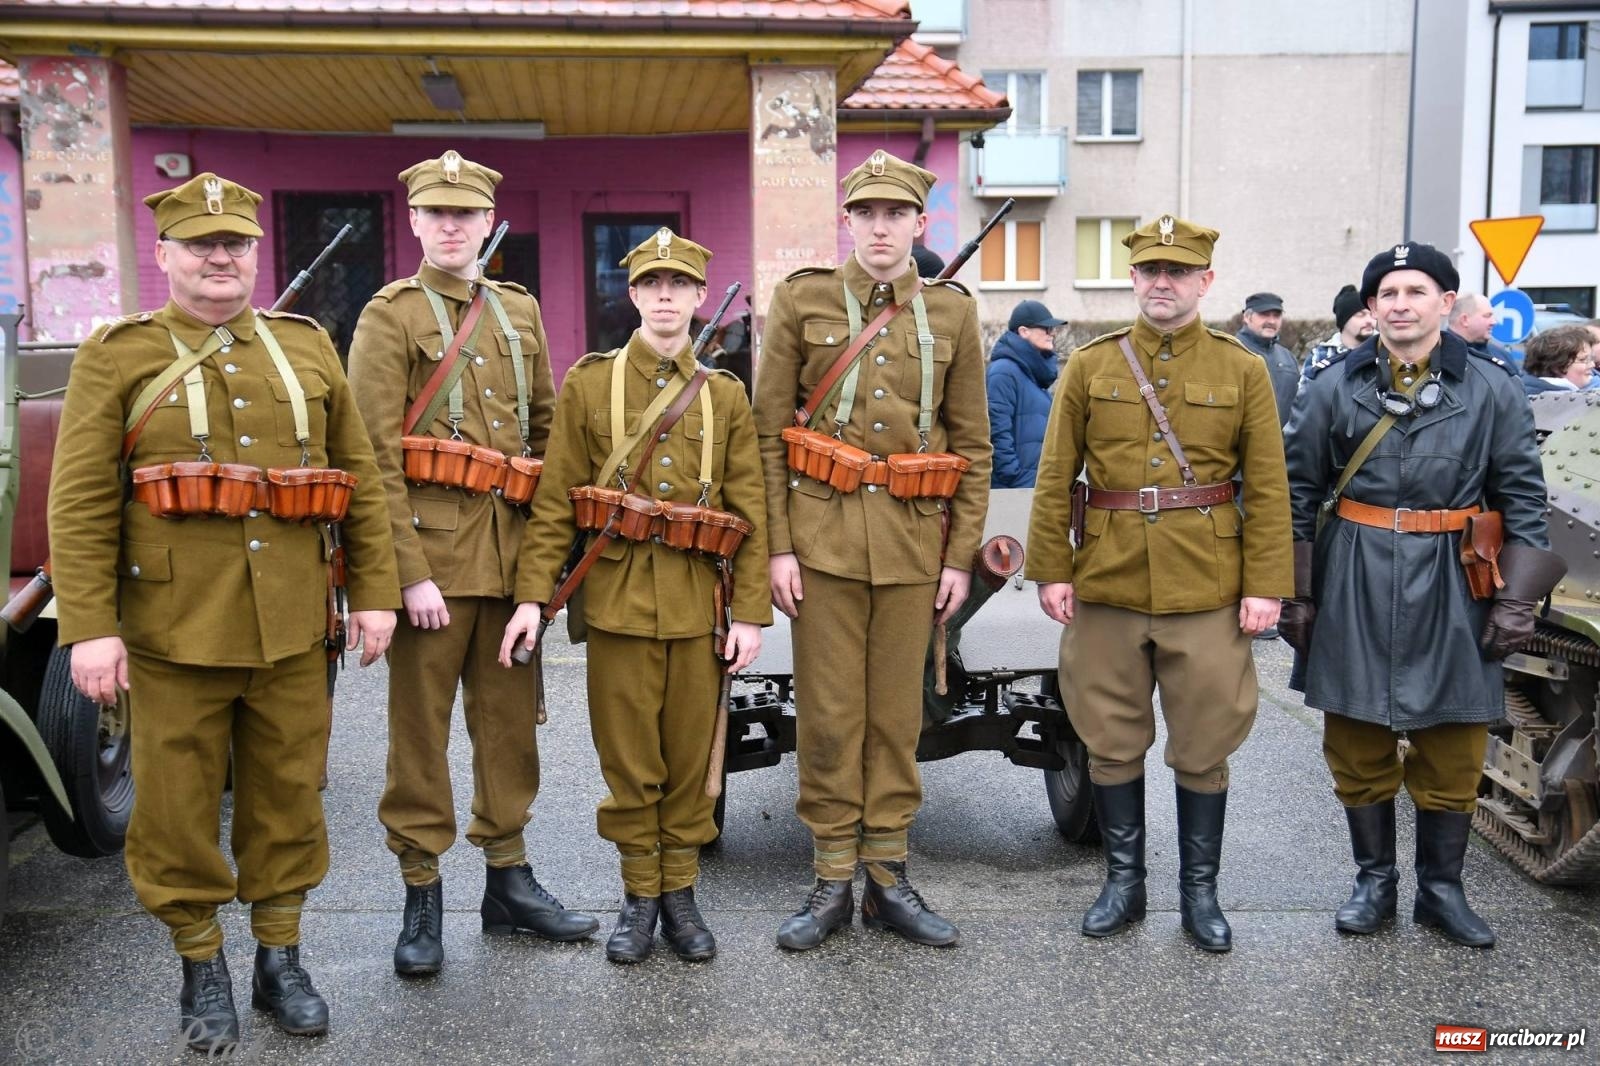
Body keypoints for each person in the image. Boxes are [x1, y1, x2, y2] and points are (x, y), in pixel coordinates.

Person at [48, 173, 401, 1051]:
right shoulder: (119, 353)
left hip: (290, 625)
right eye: (201, 243)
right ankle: (201, 963)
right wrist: (87, 627)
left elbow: (356, 484)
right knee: (175, 809)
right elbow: (81, 501)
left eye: (235, 243)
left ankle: (280, 959)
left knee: (289, 799)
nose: (219, 256)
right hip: (173, 632)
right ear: (164, 254)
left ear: (254, 254)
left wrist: (376, 594)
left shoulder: (308, 347)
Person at [347, 150, 596, 978]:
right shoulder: (390, 315)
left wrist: (539, 582)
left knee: (509, 734)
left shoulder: (517, 312)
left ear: (488, 221)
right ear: (415, 221)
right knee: (419, 740)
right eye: (437, 214)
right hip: (432, 572)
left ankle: (508, 881)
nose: (453, 227)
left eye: (467, 214)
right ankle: (422, 894)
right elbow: (372, 456)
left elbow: (550, 450)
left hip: (511, 562)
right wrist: (404, 573)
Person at [500, 229, 770, 964]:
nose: (664, 297)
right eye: (651, 284)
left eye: (678, 285)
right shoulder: (589, 385)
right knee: (628, 763)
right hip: (616, 604)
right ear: (632, 294)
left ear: (697, 297)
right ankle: (638, 898)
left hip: (696, 607)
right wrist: (533, 599)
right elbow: (556, 503)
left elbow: (751, 512)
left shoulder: (723, 396)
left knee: (688, 764)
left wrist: (750, 611)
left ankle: (679, 895)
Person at [1025, 215, 1292, 954]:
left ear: (1206, 282)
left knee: (1205, 741)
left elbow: (1268, 486)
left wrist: (1266, 584)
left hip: (1207, 583)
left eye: (1179, 271)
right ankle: (1123, 884)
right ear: (1134, 279)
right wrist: (1050, 567)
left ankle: (1198, 895)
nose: (1163, 283)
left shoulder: (1243, 370)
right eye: (1150, 271)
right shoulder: (1090, 365)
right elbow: (1056, 475)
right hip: (1106, 578)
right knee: (1109, 739)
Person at [1281, 243, 1560, 949]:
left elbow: (1524, 499)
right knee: (1355, 734)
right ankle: (1374, 882)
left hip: (1456, 575)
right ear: (1371, 308)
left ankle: (1442, 890)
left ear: (1445, 303)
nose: (1401, 304)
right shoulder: (1333, 386)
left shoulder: (1494, 388)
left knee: (1455, 740)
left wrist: (1517, 601)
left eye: (1417, 291)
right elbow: (1293, 494)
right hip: (1354, 572)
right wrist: (1298, 595)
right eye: (1389, 293)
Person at [753, 149, 992, 951]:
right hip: (820, 543)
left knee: (896, 719)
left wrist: (958, 559)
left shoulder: (954, 314)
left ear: (922, 225)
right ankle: (828, 879)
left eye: (897, 215)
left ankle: (887, 877)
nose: (881, 228)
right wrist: (778, 550)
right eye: (867, 214)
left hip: (915, 548)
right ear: (847, 222)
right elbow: (765, 436)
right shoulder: (803, 301)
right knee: (826, 718)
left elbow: (974, 446)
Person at [988, 299, 1065, 488]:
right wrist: (1014, 476)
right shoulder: (1004, 371)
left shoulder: (1032, 374)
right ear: (1024, 331)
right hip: (1015, 489)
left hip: (1032, 486)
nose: (1052, 333)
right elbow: (997, 429)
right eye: (1046, 329)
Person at [1235, 291, 1300, 425]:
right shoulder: (1232, 352)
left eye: (1276, 315)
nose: (1271, 321)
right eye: (1264, 314)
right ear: (1247, 317)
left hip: (1283, 444)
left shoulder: (1288, 358)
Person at [1301, 284, 1376, 379]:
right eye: (1361, 315)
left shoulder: (1385, 350)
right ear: (1344, 320)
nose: (1369, 320)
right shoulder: (1320, 356)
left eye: (1372, 314)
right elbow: (1306, 390)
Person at [1449, 293, 1519, 372]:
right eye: (1487, 316)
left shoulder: (1502, 356)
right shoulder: (1440, 355)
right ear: (1465, 320)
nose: (1494, 322)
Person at [1520, 323, 1597, 394]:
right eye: (1583, 360)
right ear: (1556, 366)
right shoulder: (1551, 400)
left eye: (1590, 359)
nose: (1592, 365)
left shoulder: (1522, 392)